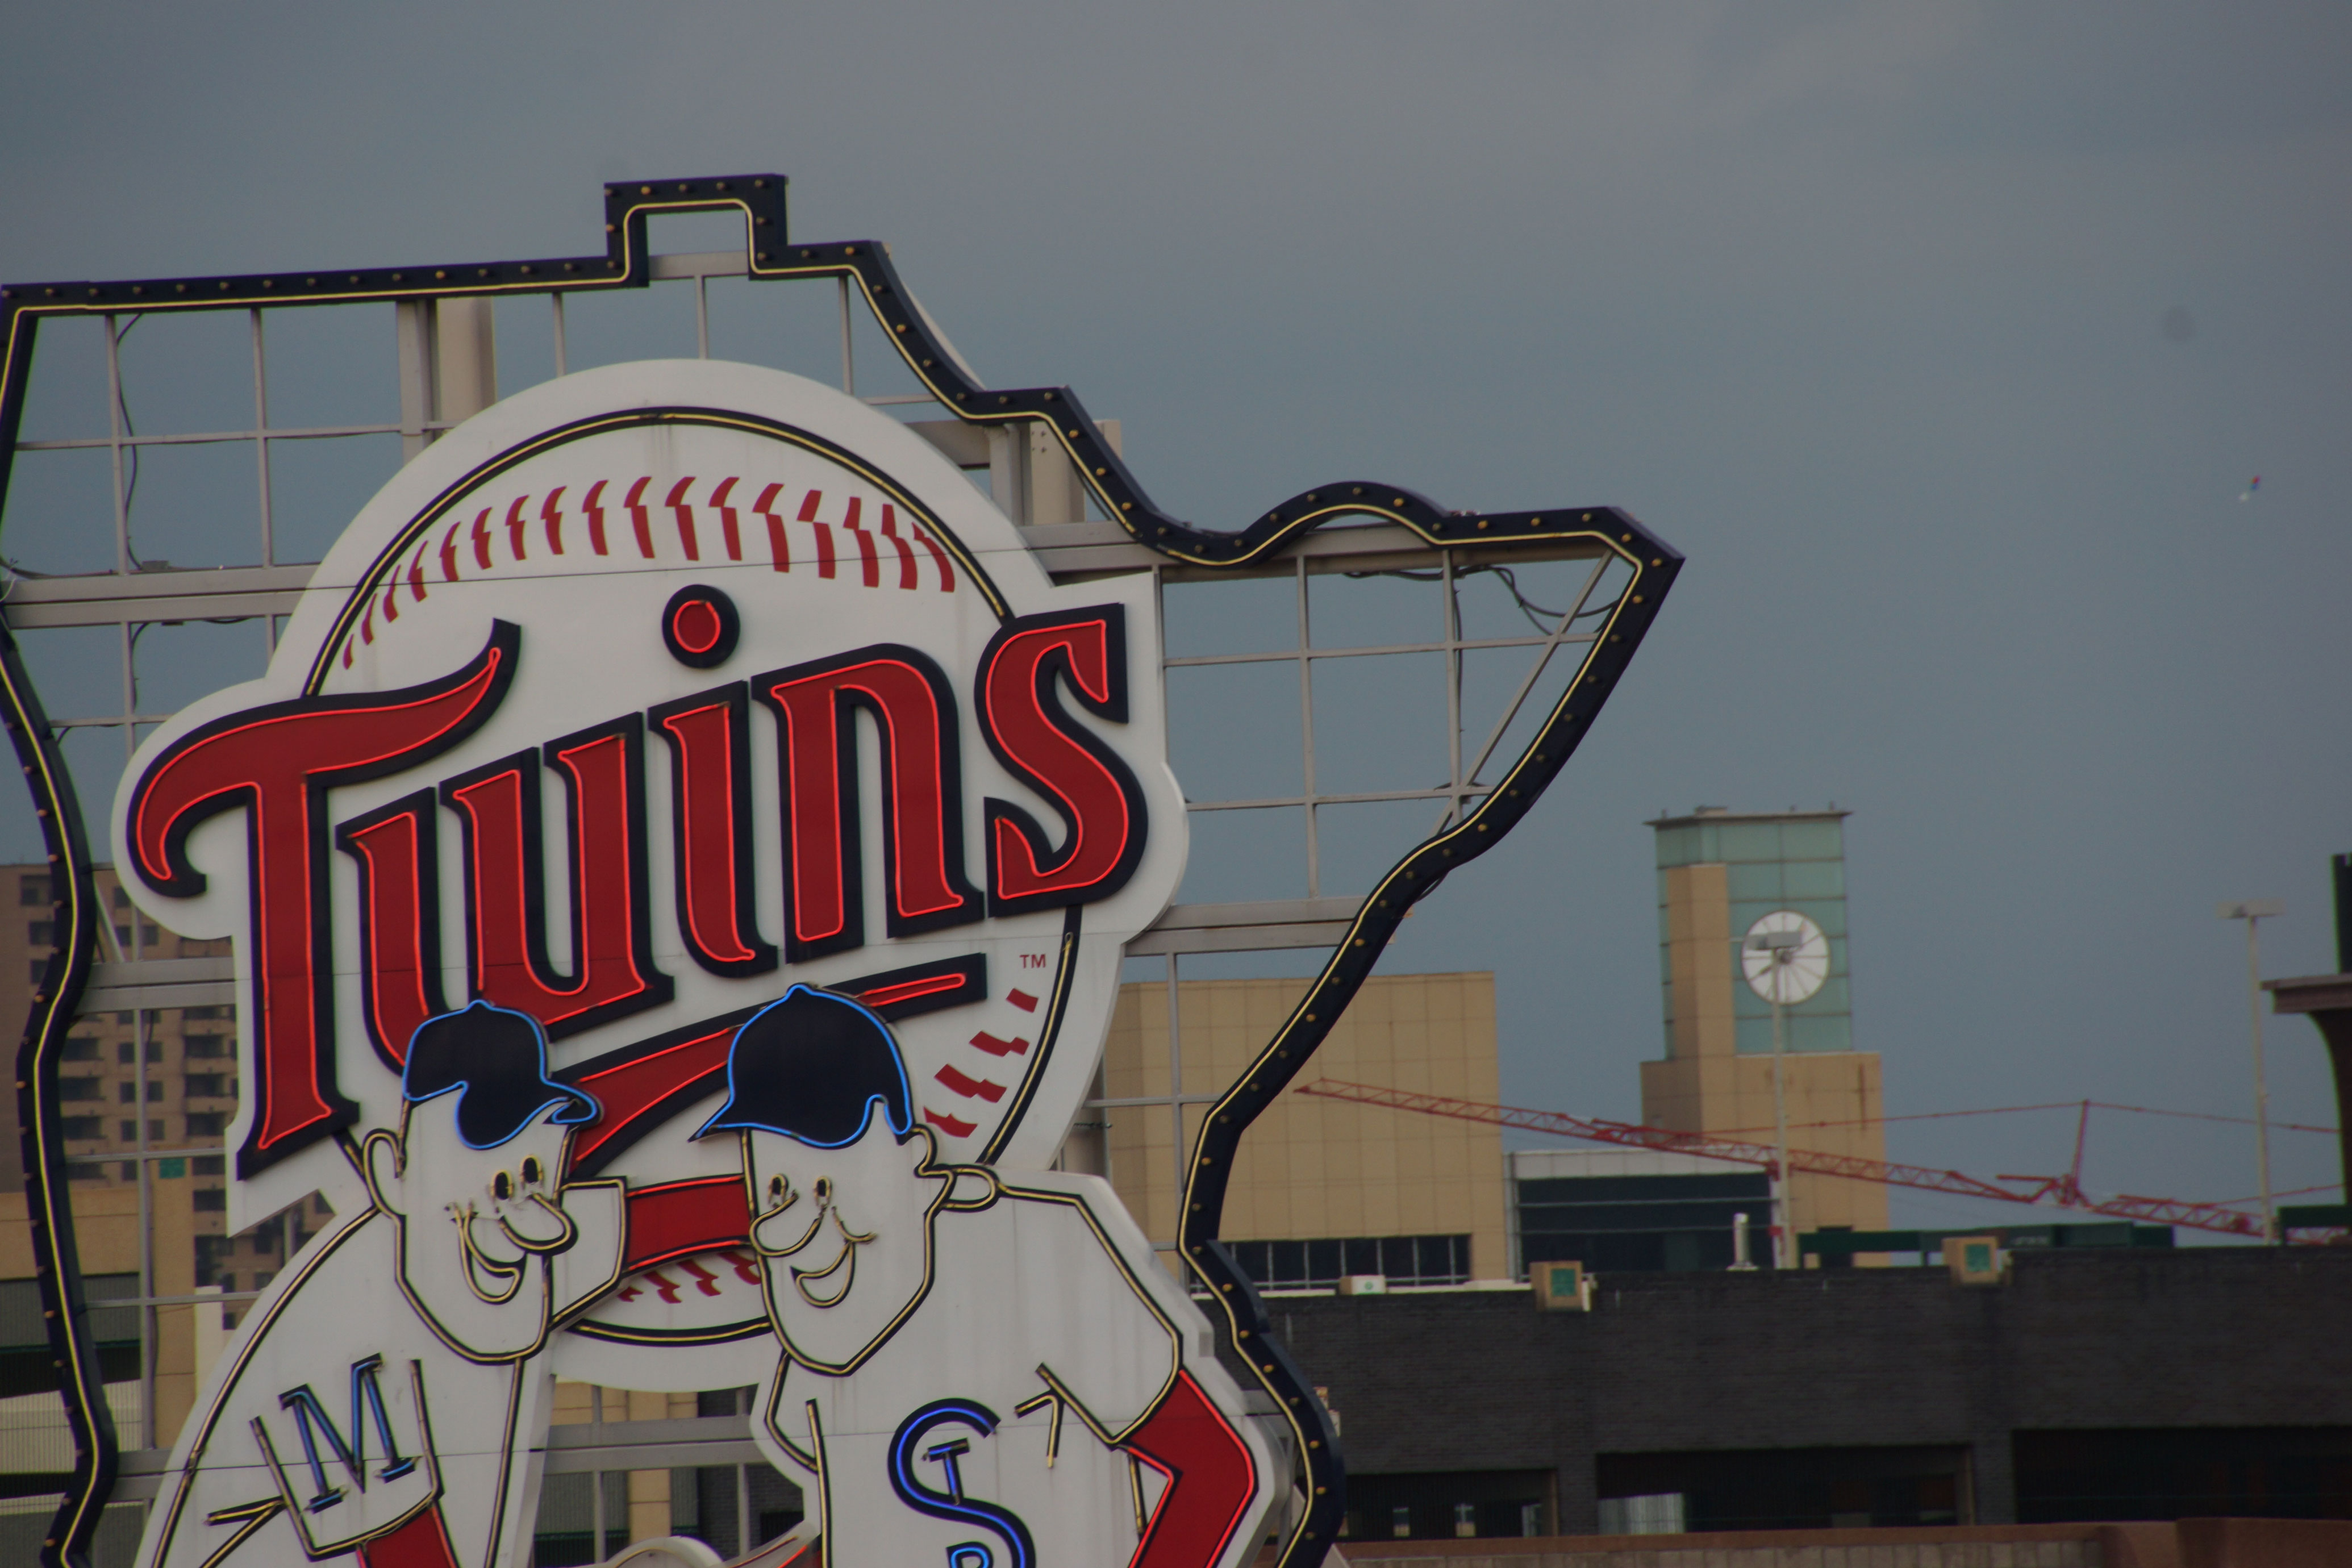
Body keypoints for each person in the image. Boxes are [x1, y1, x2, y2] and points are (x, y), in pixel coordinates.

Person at [700, 986, 1270, 1568]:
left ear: (916, 1156)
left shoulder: (1037, 1247)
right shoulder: (811, 1359)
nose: (801, 1218)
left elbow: (1219, 1468)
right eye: (776, 1189)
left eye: (829, 1182)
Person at [136, 1002, 627, 1568]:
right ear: (391, 1176)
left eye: (537, 1177)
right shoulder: (332, 1359)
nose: (524, 1221)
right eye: (494, 1183)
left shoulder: (492, 1289)